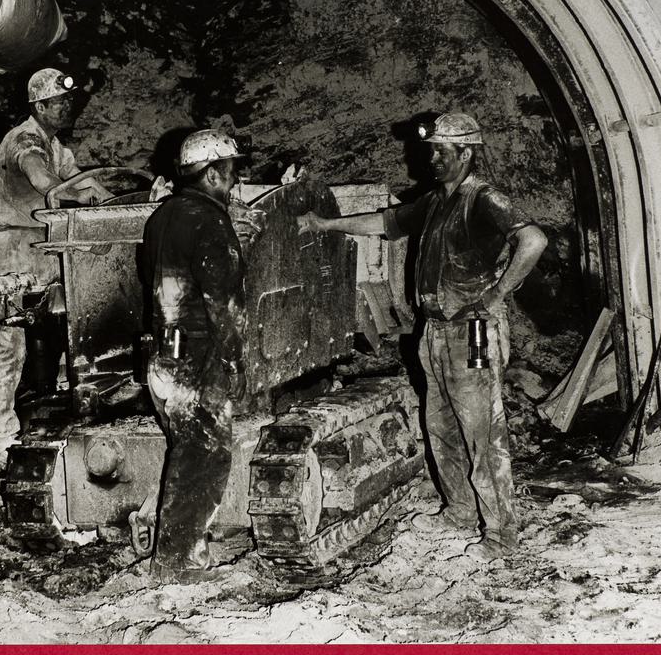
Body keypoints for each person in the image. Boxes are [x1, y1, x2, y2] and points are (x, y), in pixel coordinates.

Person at [297, 113, 547, 564]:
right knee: (441, 424)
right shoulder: (436, 201)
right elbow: (383, 222)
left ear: (466, 153)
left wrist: (497, 293)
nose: (431, 158)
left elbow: (533, 240)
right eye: (431, 149)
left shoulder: (484, 198)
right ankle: (460, 512)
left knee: (481, 430)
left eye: (440, 151)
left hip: (471, 328)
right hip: (433, 327)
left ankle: (501, 534)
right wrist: (325, 225)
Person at [0, 67, 111, 461]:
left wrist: (114, 204)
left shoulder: (58, 147)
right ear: (40, 105)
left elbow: (83, 183)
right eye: (59, 102)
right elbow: (46, 182)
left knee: (65, 329)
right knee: (13, 343)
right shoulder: (24, 141)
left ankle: (53, 415)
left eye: (68, 101)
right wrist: (80, 197)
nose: (67, 107)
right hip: (16, 247)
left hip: (47, 247)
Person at [141, 129, 248, 583]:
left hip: (162, 359)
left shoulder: (161, 217)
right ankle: (176, 563)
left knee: (187, 453)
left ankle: (184, 552)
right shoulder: (210, 220)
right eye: (231, 171)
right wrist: (232, 361)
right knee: (202, 459)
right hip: (198, 362)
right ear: (213, 173)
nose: (234, 179)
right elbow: (223, 301)